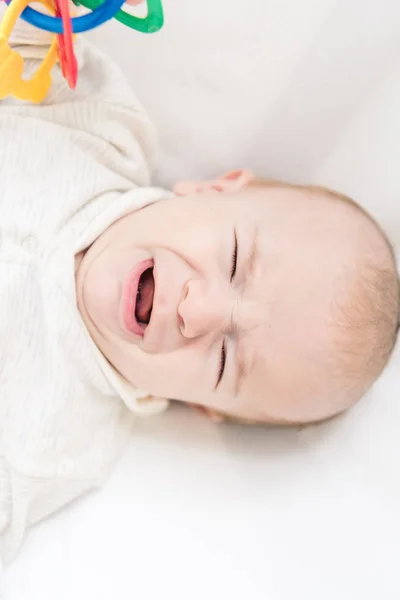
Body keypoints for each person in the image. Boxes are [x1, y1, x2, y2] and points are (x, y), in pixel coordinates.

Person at [0, 2, 398, 566]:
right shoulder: (104, 128)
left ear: (200, 406)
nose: (198, 310)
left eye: (223, 361)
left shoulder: (59, 448)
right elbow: (30, 37)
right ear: (215, 190)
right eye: (234, 261)